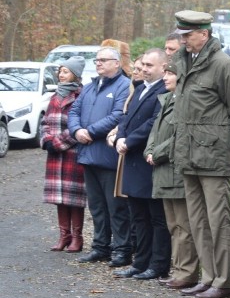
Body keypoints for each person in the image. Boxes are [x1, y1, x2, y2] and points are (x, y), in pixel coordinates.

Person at [171, 10, 230, 298]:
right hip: (188, 155)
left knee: (218, 221)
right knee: (198, 221)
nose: (184, 41)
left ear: (204, 33)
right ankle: (208, 276)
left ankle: (225, 281)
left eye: (188, 35)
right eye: (182, 35)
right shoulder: (185, 63)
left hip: (213, 157)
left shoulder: (223, 65)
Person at [69, 46, 132, 266]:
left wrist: (91, 131)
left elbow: (118, 115)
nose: (98, 64)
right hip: (88, 155)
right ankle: (100, 247)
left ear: (117, 62)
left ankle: (122, 250)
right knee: (96, 207)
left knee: (116, 208)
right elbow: (74, 111)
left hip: (109, 157)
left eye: (103, 60)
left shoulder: (125, 86)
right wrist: (77, 130)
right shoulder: (89, 87)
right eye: (96, 60)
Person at [113, 49, 171, 281]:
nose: (144, 69)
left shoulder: (164, 90)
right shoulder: (139, 89)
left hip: (150, 160)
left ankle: (158, 265)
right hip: (132, 160)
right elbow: (126, 118)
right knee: (138, 217)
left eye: (149, 65)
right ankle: (140, 262)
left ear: (163, 67)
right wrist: (120, 136)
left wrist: (129, 141)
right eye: (143, 64)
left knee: (156, 218)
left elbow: (154, 122)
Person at [144, 61, 198, 290]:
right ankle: (178, 270)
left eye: (170, 73)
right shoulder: (167, 100)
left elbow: (178, 136)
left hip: (175, 171)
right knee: (174, 225)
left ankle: (187, 273)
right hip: (163, 171)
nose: (165, 77)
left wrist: (156, 153)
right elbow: (156, 132)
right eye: (164, 72)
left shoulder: (184, 103)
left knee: (184, 226)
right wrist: (149, 150)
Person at [41, 56, 87, 253]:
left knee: (74, 198)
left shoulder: (81, 96)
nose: (61, 74)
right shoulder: (54, 96)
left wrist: (58, 143)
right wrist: (46, 140)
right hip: (54, 155)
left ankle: (77, 238)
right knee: (59, 198)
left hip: (73, 154)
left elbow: (81, 126)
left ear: (75, 75)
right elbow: (45, 122)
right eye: (60, 71)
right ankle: (63, 236)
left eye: (65, 71)